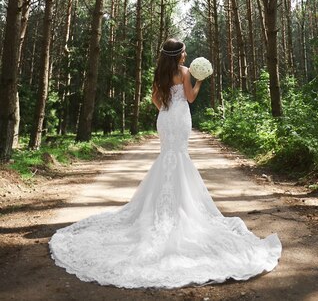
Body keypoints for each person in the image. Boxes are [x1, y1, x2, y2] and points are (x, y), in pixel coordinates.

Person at [49, 38, 282, 288]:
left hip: (166, 118)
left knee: (167, 157)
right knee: (180, 156)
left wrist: (165, 110)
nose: (185, 55)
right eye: (184, 52)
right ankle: (178, 205)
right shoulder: (184, 72)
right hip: (180, 118)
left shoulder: (160, 72)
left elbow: (153, 98)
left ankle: (162, 206)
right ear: (179, 55)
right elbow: (191, 98)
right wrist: (200, 81)